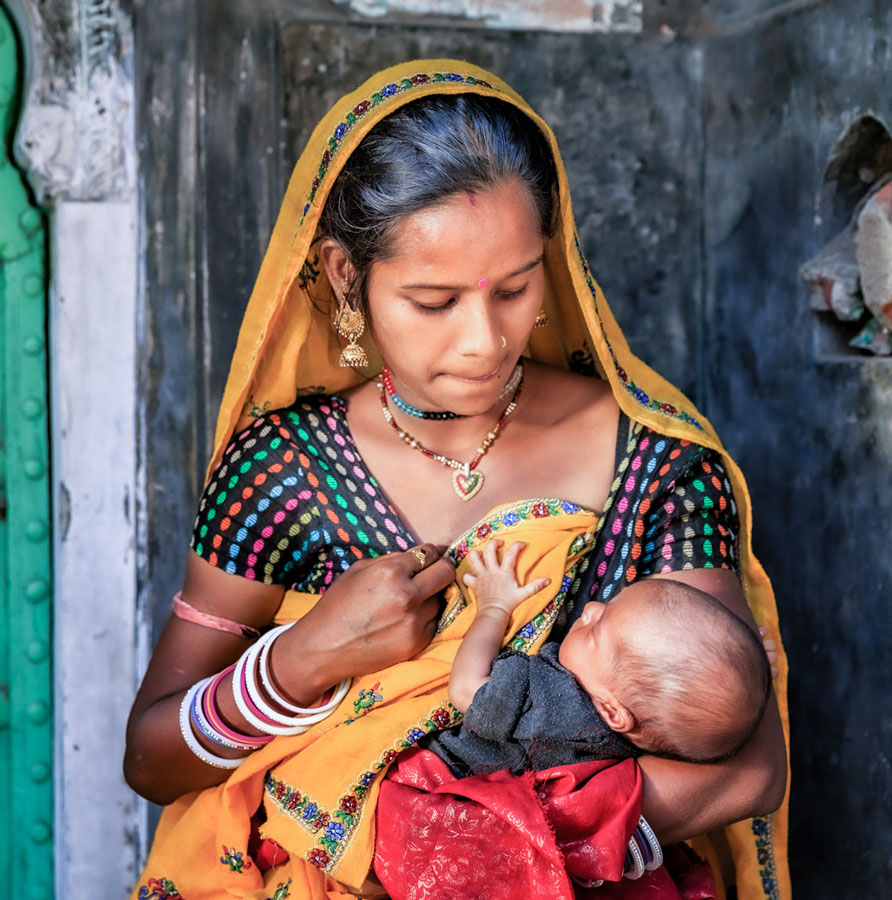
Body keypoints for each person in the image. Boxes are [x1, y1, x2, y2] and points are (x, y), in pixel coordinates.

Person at [124, 60, 790, 900]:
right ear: (343, 276)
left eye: (514, 289)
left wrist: (496, 846)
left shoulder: (653, 465)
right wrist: (300, 660)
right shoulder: (282, 474)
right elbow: (151, 761)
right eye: (435, 301)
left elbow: (751, 768)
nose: (484, 340)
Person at [428, 539, 772, 775]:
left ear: (611, 710)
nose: (590, 608)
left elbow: (466, 690)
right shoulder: (638, 735)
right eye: (604, 608)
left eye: (595, 630)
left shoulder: (549, 699)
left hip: (443, 776)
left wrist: (494, 607)